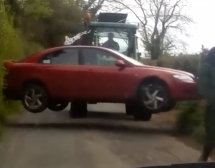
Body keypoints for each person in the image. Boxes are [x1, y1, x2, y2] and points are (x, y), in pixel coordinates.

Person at [198, 46, 215, 162]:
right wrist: (204, 98)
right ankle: (204, 157)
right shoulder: (206, 67)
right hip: (212, 103)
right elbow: (202, 84)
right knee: (212, 131)